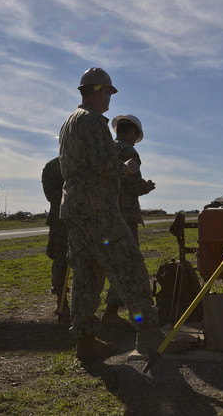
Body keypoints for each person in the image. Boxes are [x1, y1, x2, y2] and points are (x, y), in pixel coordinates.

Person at [58, 67, 165, 360]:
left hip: (75, 210)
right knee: (129, 265)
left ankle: (85, 340)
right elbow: (104, 164)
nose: (109, 97)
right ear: (96, 91)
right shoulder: (92, 121)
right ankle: (148, 332)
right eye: (107, 92)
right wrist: (125, 169)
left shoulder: (68, 122)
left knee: (87, 275)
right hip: (97, 208)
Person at [102, 114, 156, 326]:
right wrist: (146, 187)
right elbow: (133, 185)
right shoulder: (128, 151)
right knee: (127, 262)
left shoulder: (107, 148)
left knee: (111, 261)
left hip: (106, 212)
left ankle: (110, 310)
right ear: (132, 132)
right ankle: (116, 311)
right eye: (136, 134)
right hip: (125, 214)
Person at [41, 156, 69, 324]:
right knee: (60, 261)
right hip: (60, 221)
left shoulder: (83, 161)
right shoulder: (52, 167)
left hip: (83, 218)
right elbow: (52, 195)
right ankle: (61, 300)